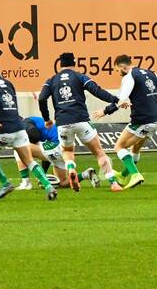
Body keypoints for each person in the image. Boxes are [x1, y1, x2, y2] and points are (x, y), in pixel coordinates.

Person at [36, 52, 124, 192]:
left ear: (60, 64)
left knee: (67, 151)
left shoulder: (51, 80)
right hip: (81, 119)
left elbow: (41, 99)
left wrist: (47, 119)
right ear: (74, 62)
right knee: (99, 152)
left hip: (63, 123)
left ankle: (71, 168)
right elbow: (97, 91)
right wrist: (117, 101)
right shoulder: (79, 76)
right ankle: (113, 183)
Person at [0, 58, 56, 201]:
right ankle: (49, 187)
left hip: (3, 129)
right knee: (29, 160)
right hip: (19, 127)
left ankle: (5, 183)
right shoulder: (8, 83)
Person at [93, 54, 153, 189]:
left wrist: (105, 111)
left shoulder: (129, 76)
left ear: (123, 67)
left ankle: (135, 175)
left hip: (143, 119)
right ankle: (123, 175)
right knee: (136, 147)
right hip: (155, 119)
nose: (118, 73)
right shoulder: (150, 73)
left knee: (119, 147)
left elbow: (120, 99)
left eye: (117, 70)